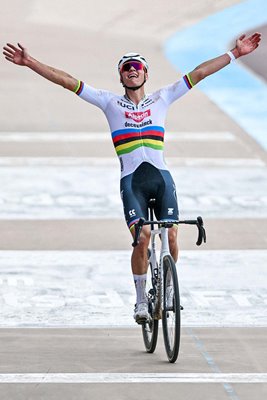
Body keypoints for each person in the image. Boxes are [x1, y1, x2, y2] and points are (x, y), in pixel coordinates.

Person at [3, 33, 261, 323]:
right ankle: (140, 301)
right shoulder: (108, 102)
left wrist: (235, 54)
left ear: (146, 73)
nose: (132, 70)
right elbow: (67, 80)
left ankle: (169, 287)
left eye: (137, 66)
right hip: (132, 182)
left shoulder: (162, 97)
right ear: (121, 76)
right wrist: (29, 62)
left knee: (172, 233)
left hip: (161, 178)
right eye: (126, 68)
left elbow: (199, 73)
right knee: (142, 239)